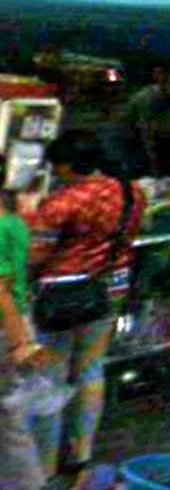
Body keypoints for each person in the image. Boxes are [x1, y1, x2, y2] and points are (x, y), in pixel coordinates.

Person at [25, 129, 146, 488]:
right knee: (92, 370)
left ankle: (46, 465)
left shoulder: (63, 202)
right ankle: (82, 456)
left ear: (67, 165)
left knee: (52, 377)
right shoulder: (132, 191)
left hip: (60, 296)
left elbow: (36, 255)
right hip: (111, 286)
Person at [0, 160, 48, 489]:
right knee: (10, 412)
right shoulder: (16, 222)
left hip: (6, 328)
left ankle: (27, 482)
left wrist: (21, 342)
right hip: (18, 320)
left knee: (10, 416)